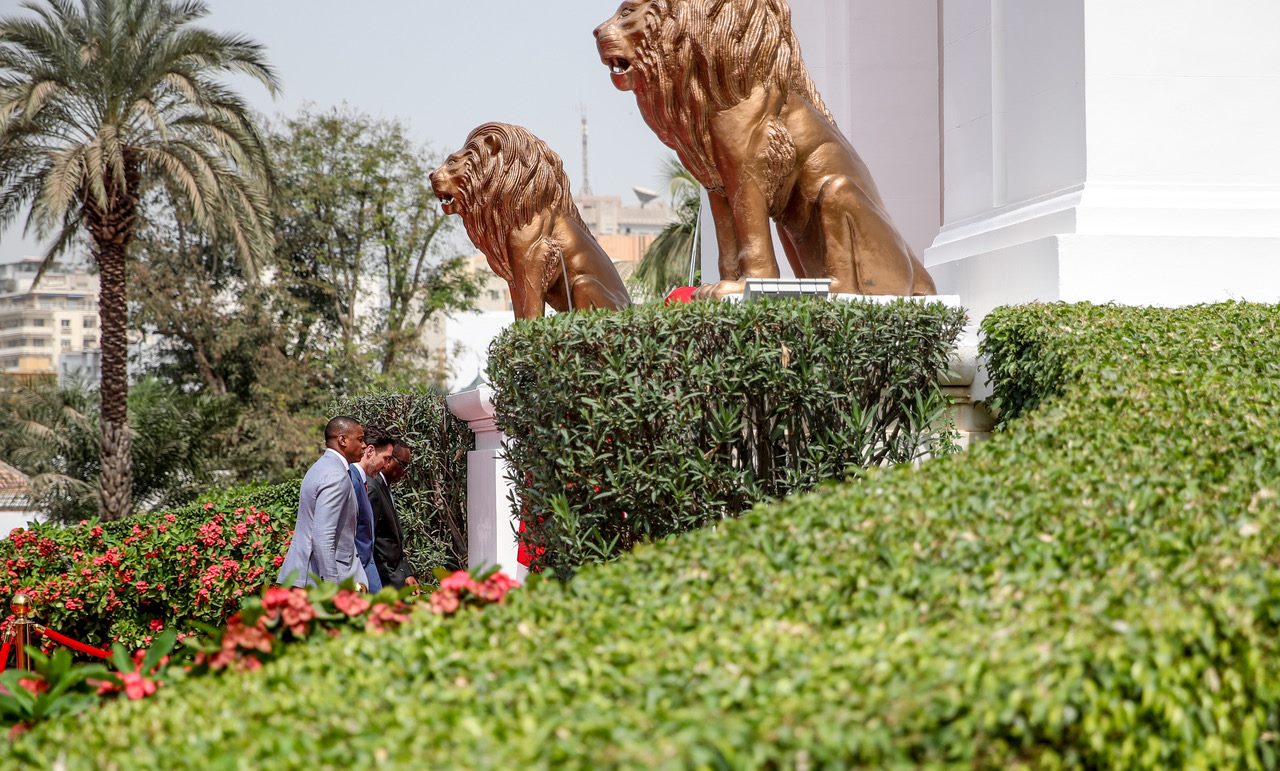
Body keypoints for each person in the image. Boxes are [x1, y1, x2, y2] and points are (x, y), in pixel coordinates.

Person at [277, 416, 368, 588]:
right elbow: (323, 536)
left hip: (305, 577)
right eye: (360, 439)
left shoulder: (320, 467)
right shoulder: (336, 475)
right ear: (342, 440)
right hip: (316, 582)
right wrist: (331, 587)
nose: (364, 445)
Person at [352, 426, 395, 593]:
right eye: (385, 458)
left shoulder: (361, 481)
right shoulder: (353, 481)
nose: (386, 465)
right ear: (370, 451)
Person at [371, 440, 418, 589]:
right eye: (403, 465)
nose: (405, 472)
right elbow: (372, 541)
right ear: (389, 460)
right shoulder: (373, 488)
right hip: (383, 582)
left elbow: (393, 541)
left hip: (395, 578)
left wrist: (407, 573)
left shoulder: (385, 487)